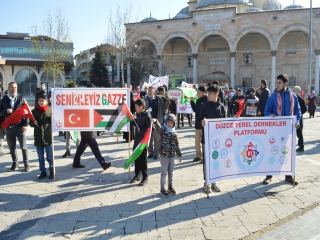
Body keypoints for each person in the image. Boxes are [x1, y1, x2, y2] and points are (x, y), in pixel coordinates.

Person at [262, 74, 301, 185]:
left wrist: (297, 122)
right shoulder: (273, 97)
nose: (277, 85)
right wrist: (270, 116)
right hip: (275, 131)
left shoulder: (293, 96)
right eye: (277, 82)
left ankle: (288, 176)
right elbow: (267, 111)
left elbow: (298, 112)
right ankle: (269, 176)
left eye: (279, 83)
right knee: (272, 151)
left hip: (288, 130)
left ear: (285, 83)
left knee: (287, 152)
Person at [72, 83, 112, 171]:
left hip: (88, 128)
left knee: (82, 147)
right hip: (87, 129)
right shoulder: (87, 101)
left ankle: (76, 162)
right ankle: (103, 163)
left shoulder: (88, 100)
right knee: (95, 148)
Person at [197, 84, 226, 193]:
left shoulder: (222, 107)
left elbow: (225, 123)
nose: (208, 95)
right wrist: (202, 122)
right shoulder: (204, 106)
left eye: (210, 93)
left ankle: (215, 181)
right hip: (207, 139)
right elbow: (198, 122)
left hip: (218, 141)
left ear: (216, 94)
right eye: (208, 93)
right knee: (206, 161)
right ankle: (207, 182)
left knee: (217, 160)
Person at [0, 82, 30, 172]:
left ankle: (26, 164)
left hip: (20, 126)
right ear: (8, 88)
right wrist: (6, 111)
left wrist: (25, 124)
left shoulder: (21, 99)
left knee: (23, 147)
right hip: (9, 127)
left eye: (15, 87)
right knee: (12, 147)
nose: (14, 89)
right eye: (12, 87)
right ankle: (15, 164)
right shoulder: (4, 100)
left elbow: (27, 112)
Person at [153, 114, 182, 197]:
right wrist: (155, 122)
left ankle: (170, 187)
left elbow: (177, 145)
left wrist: (179, 154)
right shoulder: (163, 130)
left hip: (172, 156)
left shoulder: (175, 134)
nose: (169, 124)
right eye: (168, 122)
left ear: (174, 124)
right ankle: (162, 188)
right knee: (164, 172)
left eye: (171, 123)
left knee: (171, 172)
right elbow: (158, 128)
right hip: (164, 155)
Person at [29, 95, 54, 180]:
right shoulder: (34, 111)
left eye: (43, 100)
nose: (41, 102)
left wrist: (52, 118)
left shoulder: (50, 109)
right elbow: (30, 122)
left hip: (48, 136)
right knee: (40, 156)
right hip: (38, 136)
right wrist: (33, 123)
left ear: (46, 101)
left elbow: (54, 122)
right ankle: (43, 171)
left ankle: (51, 170)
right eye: (39, 100)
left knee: (49, 156)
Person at [130, 98, 152, 186]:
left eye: (136, 107)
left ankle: (145, 176)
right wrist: (132, 119)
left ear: (142, 107)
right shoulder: (139, 114)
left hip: (143, 142)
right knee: (136, 158)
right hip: (137, 140)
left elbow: (150, 128)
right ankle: (137, 175)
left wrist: (141, 130)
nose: (135, 108)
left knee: (142, 160)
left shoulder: (147, 115)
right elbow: (137, 124)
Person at [144, 86, 169, 160]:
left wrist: (167, 101)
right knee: (149, 138)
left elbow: (164, 108)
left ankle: (156, 153)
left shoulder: (159, 100)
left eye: (151, 91)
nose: (150, 92)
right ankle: (150, 153)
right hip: (147, 122)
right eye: (148, 91)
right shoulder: (145, 100)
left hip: (157, 122)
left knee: (157, 138)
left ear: (154, 92)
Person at [190, 85, 208, 162]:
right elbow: (195, 110)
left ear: (203, 92)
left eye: (199, 92)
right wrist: (191, 101)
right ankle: (198, 155)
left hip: (204, 125)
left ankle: (205, 157)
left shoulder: (207, 100)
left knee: (204, 141)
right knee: (197, 141)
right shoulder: (198, 100)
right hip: (198, 124)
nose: (198, 93)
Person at [62, 83, 80, 157]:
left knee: (77, 136)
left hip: (76, 119)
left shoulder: (79, 98)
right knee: (67, 136)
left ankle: (78, 151)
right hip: (68, 119)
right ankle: (67, 150)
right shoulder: (66, 98)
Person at [293, 86, 307, 152]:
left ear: (298, 91)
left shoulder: (301, 99)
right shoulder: (292, 98)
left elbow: (305, 109)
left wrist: (299, 113)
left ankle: (301, 146)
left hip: (299, 118)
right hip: (292, 118)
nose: (293, 91)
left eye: (294, 90)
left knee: (299, 132)